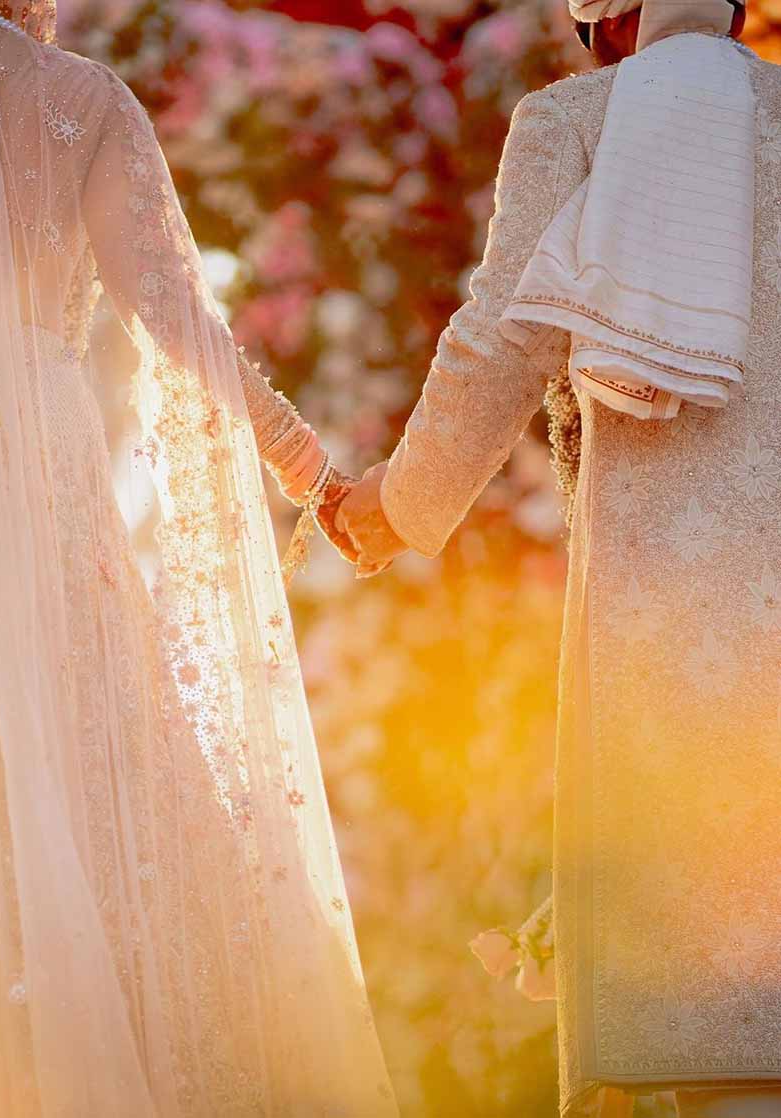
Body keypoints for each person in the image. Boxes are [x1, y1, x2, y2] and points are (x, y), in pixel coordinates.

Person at [0, 1, 397, 1114]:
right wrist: (312, 471)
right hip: (31, 480)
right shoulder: (79, 102)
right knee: (81, 777)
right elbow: (178, 324)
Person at [337, 2, 781, 1116]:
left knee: (704, 1007)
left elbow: (505, 334)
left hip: (673, 615)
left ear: (609, 16)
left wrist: (398, 504)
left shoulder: (578, 119)